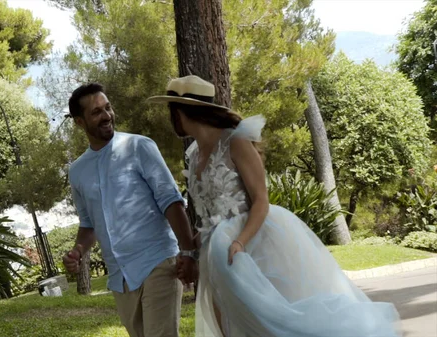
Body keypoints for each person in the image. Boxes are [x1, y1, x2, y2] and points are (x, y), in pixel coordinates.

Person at [147, 75, 402, 337]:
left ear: (181, 112)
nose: (171, 118)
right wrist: (191, 253)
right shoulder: (193, 154)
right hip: (214, 254)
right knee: (230, 328)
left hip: (252, 246)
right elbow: (211, 216)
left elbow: (260, 200)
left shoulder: (235, 141)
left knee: (272, 323)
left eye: (171, 110)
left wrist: (239, 243)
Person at [62, 82, 198, 337]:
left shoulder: (139, 147)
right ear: (80, 122)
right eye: (96, 112)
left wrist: (188, 251)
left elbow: (171, 200)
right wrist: (79, 250)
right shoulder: (77, 171)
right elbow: (88, 224)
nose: (106, 116)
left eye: (108, 108)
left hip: (158, 262)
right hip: (120, 278)